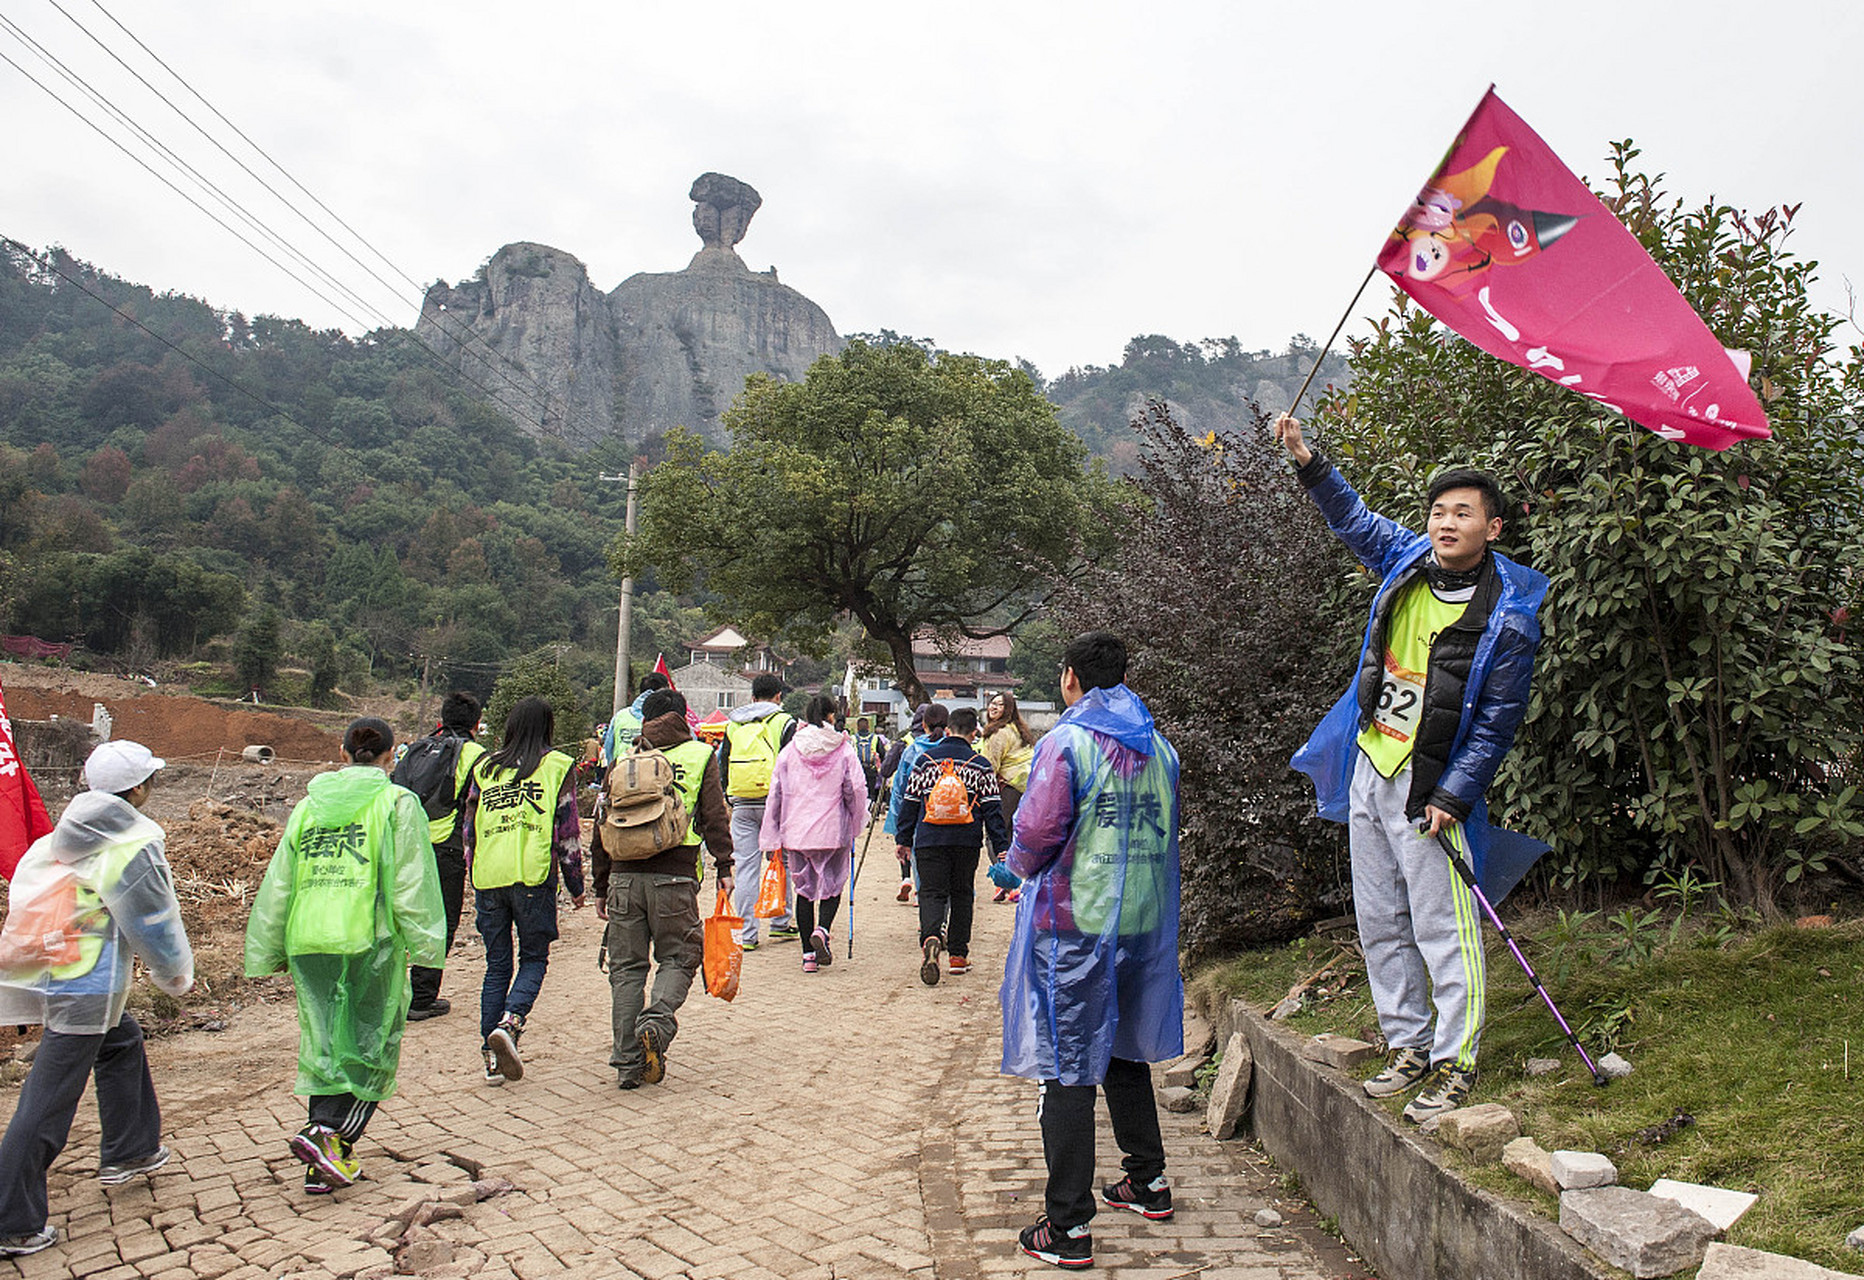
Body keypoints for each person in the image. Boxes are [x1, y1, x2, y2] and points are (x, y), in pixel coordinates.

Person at [1275, 412, 1546, 1123]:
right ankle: (1407, 1043)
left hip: (1432, 786)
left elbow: (1498, 720)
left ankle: (1457, 1060)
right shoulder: (1408, 561)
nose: (1446, 523)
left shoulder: (1510, 616)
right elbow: (1354, 519)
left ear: (1492, 528)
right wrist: (1307, 459)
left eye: (1463, 513)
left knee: (1443, 926)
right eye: (1438, 511)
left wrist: (1454, 795)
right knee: (1380, 919)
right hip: (1374, 763)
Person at [999, 632, 1183, 1269]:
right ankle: (1148, 1180)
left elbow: (1036, 831)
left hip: (1075, 926)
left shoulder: (1067, 743)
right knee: (1124, 1047)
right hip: (1141, 920)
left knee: (1068, 1066)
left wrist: (1013, 867)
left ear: (1071, 677)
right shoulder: (1160, 747)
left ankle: (1068, 1224)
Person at [0, 741, 194, 1255]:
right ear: (139, 788)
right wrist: (175, 976)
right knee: (48, 1098)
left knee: (121, 1039)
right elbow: (153, 919)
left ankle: (131, 1149)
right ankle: (12, 1219)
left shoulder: (60, 837)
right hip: (88, 982)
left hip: (53, 967)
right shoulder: (130, 842)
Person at [245, 719, 445, 1194]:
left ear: (342, 752)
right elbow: (410, 880)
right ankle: (328, 1136)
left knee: (324, 1046)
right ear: (391, 756)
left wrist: (270, 944)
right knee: (373, 1046)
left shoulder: (308, 807)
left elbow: (281, 881)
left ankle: (324, 1163)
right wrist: (426, 945)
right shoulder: (397, 803)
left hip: (308, 936)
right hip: (367, 940)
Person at [595, 689, 732, 1089]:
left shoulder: (624, 760)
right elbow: (714, 817)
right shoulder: (700, 755)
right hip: (676, 876)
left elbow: (602, 821)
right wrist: (725, 865)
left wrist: (601, 884)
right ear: (682, 718)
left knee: (626, 969)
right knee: (679, 957)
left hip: (623, 877)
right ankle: (655, 1022)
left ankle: (627, 1063)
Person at [464, 697, 586, 1086]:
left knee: (497, 964)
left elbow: (469, 830)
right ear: (548, 727)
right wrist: (576, 884)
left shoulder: (485, 768)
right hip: (533, 878)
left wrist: (474, 873)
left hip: (489, 877)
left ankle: (491, 1060)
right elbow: (568, 833)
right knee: (534, 958)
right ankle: (510, 1023)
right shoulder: (557, 766)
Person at [895, 706, 1007, 986]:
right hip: (966, 841)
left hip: (929, 839)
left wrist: (903, 840)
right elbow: (993, 810)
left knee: (931, 892)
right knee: (962, 893)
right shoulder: (981, 765)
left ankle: (931, 937)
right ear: (974, 733)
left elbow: (910, 803)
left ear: (947, 730)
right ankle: (958, 955)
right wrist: (1001, 847)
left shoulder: (924, 761)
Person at [395, 692, 487, 1021]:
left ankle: (390, 992)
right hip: (447, 847)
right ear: (477, 723)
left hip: (407, 846)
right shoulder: (476, 755)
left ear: (442, 719)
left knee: (400, 918)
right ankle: (422, 997)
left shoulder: (415, 748)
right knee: (441, 921)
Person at [759, 694, 867, 973]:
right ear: (831, 716)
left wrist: (772, 831)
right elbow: (855, 788)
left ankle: (808, 955)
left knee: (804, 891)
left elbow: (776, 792)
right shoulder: (843, 748)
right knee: (834, 885)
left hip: (797, 831)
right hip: (833, 830)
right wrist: (856, 818)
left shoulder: (790, 750)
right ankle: (823, 929)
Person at [718, 674, 798, 950]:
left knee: (746, 867)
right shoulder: (785, 722)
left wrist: (729, 796)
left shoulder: (734, 724)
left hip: (741, 801)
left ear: (752, 697)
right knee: (781, 862)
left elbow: (724, 761)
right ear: (778, 696)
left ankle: (747, 934)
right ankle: (780, 921)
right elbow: (791, 764)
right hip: (775, 803)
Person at [980, 692, 1038, 901]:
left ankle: (1009, 883)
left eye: (1000, 705)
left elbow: (990, 766)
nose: (994, 707)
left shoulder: (998, 733)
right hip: (1026, 788)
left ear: (1008, 709)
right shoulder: (1019, 731)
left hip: (1007, 788)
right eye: (992, 703)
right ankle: (1008, 883)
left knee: (994, 835)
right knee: (1012, 836)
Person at [881, 705, 937, 903]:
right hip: (936, 805)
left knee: (905, 840)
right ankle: (924, 890)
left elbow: (886, 769)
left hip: (906, 801)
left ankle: (906, 878)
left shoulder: (905, 742)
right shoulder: (943, 742)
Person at [602, 672, 671, 765]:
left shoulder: (620, 716)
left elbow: (609, 750)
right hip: (657, 771)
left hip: (621, 770)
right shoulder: (669, 719)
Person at [851, 716, 890, 803]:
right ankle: (870, 808)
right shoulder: (875, 738)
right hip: (871, 770)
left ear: (857, 727)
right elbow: (882, 754)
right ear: (868, 727)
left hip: (857, 771)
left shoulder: (853, 739)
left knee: (858, 794)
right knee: (871, 794)